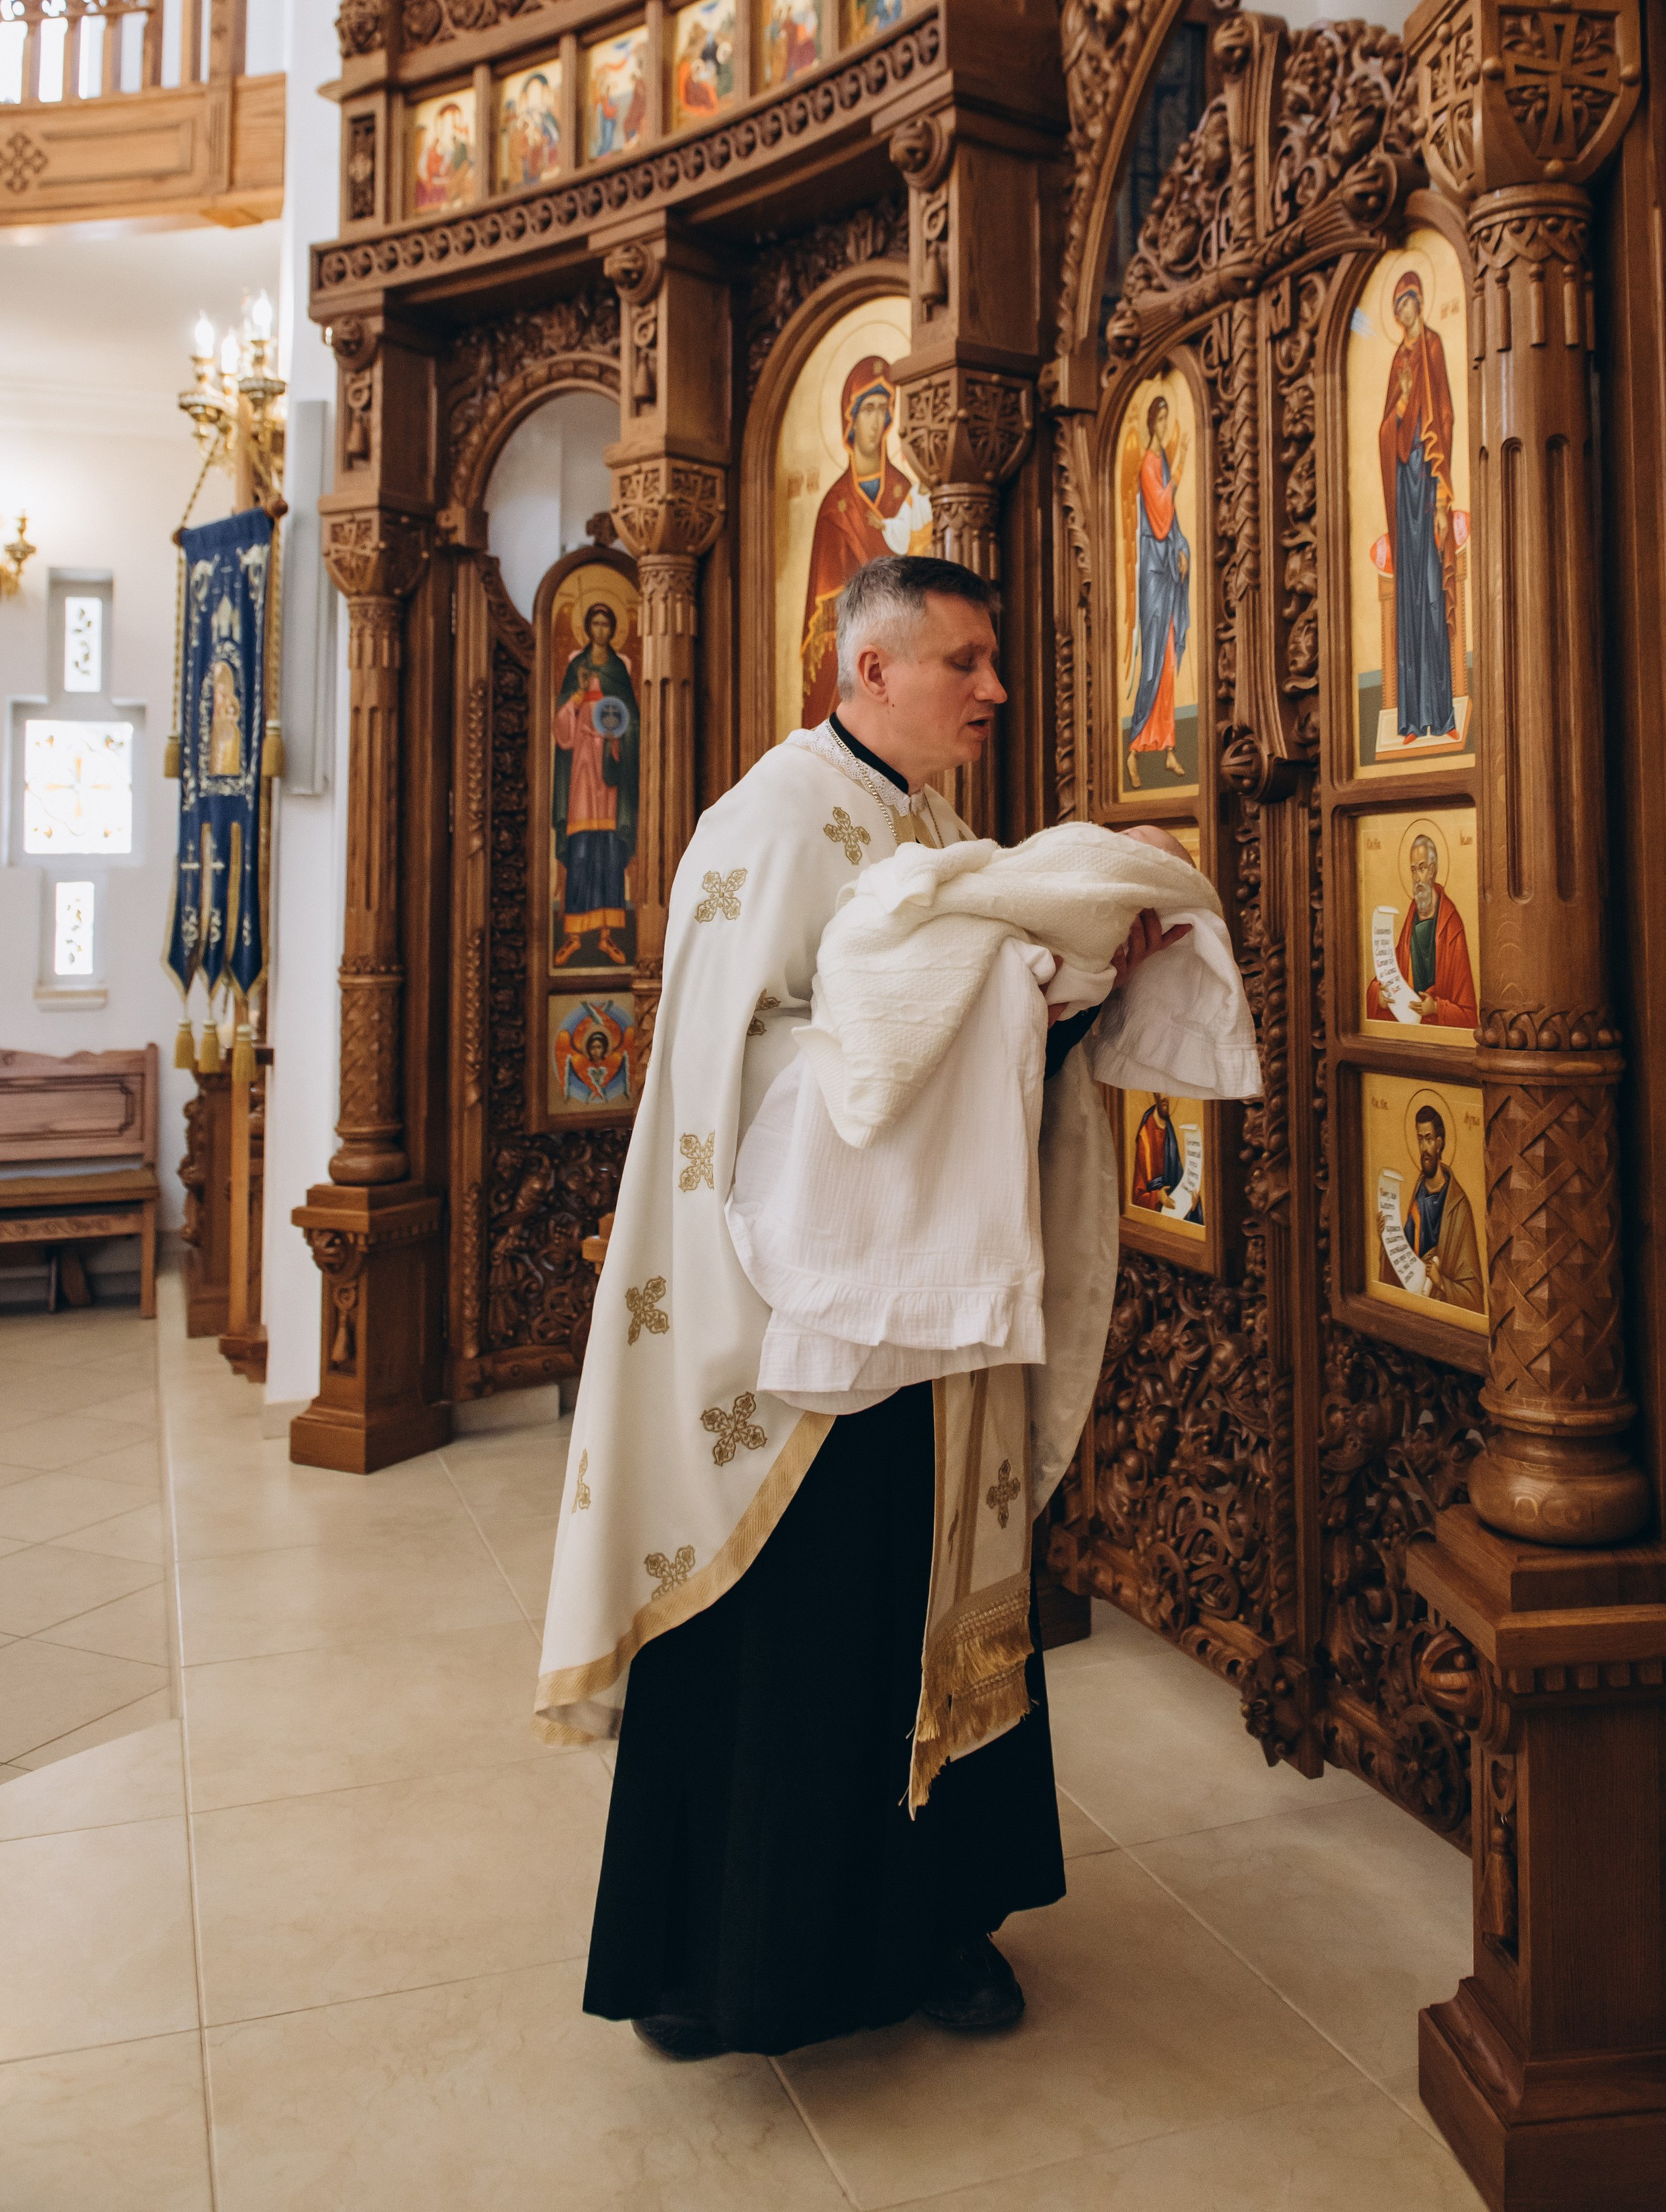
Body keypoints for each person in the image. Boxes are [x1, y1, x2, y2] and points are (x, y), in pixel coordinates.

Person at [549, 556, 1211, 2060]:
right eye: (963, 661)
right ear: (869, 668)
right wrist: (987, 999)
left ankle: (937, 1922)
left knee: (922, 1599)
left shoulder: (939, 831)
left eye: (991, 660)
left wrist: (1079, 985)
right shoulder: (771, 823)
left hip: (930, 1314)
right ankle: (718, 1959)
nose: (992, 689)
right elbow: (737, 1076)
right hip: (793, 1323)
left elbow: (977, 1048)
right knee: (794, 1623)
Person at [800, 358, 931, 723]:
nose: (876, 421)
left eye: (883, 409)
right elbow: (823, 617)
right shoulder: (834, 507)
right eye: (868, 409)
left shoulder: (905, 493)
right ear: (851, 417)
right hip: (857, 656)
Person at [1375, 269, 1459, 743]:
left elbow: (1444, 414)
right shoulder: (1397, 361)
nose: (1404, 311)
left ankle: (1441, 716)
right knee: (1409, 596)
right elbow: (1386, 430)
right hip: (1402, 488)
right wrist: (1403, 405)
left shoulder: (1433, 348)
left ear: (1420, 301)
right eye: (1398, 306)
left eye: (1408, 302)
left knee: (1431, 592)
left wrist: (1444, 494)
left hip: (1428, 485)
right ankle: (1411, 720)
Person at [553, 601, 639, 967]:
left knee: (608, 848)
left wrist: (621, 737)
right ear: (588, 628)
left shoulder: (620, 668)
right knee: (581, 848)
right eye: (596, 623)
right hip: (581, 767)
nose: (601, 630)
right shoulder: (577, 666)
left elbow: (632, 719)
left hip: (610, 767)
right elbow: (560, 729)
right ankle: (573, 935)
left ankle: (606, 935)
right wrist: (575, 698)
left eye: (606, 624)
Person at [1125, 392, 1191, 785]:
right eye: (1161, 421)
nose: (1165, 427)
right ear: (1153, 422)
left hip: (1167, 565)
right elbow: (1162, 514)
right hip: (1153, 571)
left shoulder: (1161, 459)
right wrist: (1180, 467)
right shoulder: (1150, 464)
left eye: (1169, 420)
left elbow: (1174, 525)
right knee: (1152, 658)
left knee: (1167, 658)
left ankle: (1167, 747)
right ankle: (1135, 747)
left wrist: (1182, 550)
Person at [1367, 828, 1476, 1030]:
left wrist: (1436, 1008)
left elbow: (1468, 1013)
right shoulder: (1411, 919)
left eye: (1422, 868)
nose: (1417, 877)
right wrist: (1378, 995)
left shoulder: (1451, 926)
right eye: (1413, 870)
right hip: (1410, 1022)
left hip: (1437, 1027)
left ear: (1432, 870)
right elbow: (1391, 970)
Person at [1402, 1105, 1482, 1313]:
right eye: (1420, 1139)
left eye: (1429, 1139)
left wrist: (1441, 1283)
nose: (1424, 1148)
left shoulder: (1459, 1206)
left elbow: (1473, 1294)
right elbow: (1403, 1254)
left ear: (1439, 1143)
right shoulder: (1418, 1196)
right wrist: (1386, 1236)